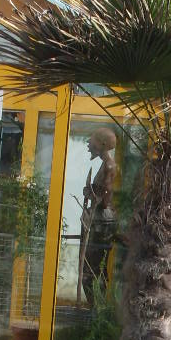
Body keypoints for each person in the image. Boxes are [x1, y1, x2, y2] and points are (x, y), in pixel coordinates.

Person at [77, 127, 117, 304]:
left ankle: (96, 310)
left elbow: (105, 200)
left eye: (91, 139)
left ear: (101, 144)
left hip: (101, 224)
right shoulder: (106, 164)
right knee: (91, 271)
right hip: (99, 221)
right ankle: (94, 309)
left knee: (92, 272)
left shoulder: (109, 165)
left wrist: (91, 193)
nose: (88, 143)